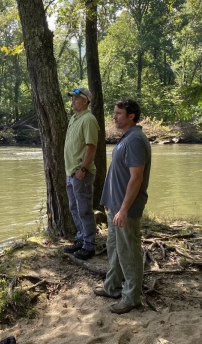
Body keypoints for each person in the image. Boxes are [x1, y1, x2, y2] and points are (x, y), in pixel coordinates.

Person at [94, 99, 151, 315]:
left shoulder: (135, 140)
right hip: (115, 206)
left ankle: (131, 298)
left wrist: (124, 209)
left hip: (126, 209)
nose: (114, 117)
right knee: (115, 249)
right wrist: (110, 202)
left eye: (118, 113)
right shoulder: (126, 138)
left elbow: (136, 178)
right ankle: (112, 287)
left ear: (131, 116)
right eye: (115, 113)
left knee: (129, 253)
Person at [63, 87, 99, 260]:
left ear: (86, 101)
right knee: (74, 207)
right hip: (70, 172)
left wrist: (83, 168)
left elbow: (91, 146)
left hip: (81, 172)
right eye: (72, 98)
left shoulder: (89, 119)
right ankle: (80, 238)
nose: (73, 101)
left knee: (84, 209)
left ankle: (89, 244)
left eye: (77, 98)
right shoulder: (74, 118)